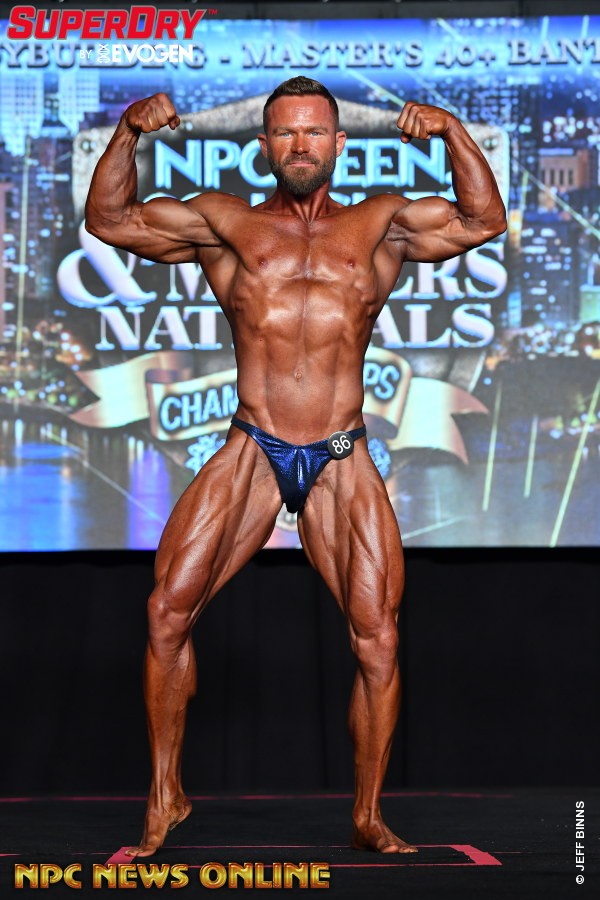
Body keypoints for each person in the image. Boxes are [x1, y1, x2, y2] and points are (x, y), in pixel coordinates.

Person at [85, 76, 506, 856]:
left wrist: (452, 130)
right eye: (285, 133)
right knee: (166, 612)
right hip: (255, 443)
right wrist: (128, 133)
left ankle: (368, 814)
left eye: (314, 132)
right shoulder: (226, 223)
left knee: (378, 638)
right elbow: (109, 219)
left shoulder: (381, 225)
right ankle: (165, 794)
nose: (300, 145)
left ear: (339, 143)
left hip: (341, 453)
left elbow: (485, 219)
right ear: (265, 145)